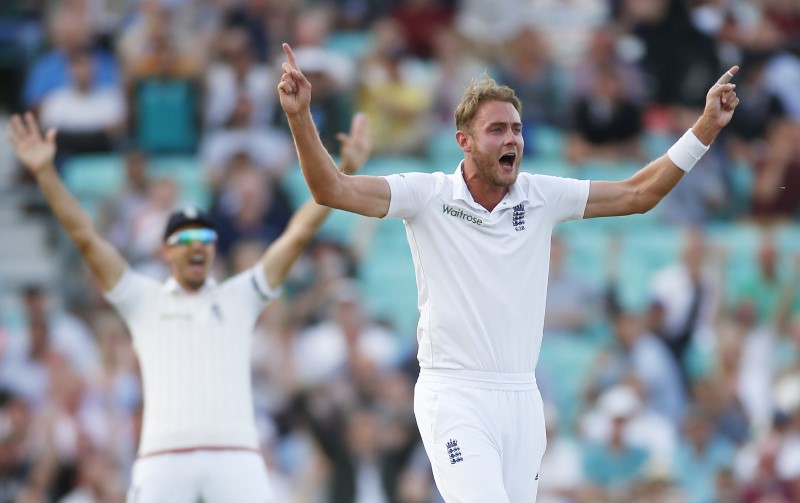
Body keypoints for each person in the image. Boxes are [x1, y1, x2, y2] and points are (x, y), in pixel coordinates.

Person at [278, 41, 739, 502]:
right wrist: (300, 117)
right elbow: (329, 188)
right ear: (465, 141)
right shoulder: (426, 195)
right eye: (496, 129)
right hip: (454, 393)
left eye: (516, 130)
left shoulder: (540, 196)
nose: (511, 140)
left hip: (522, 397)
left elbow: (639, 194)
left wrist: (704, 128)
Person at [5, 111, 371, 502]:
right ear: (165, 251)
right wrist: (45, 173)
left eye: (204, 236)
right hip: (164, 457)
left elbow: (298, 233)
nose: (196, 244)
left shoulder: (240, 296)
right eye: (184, 237)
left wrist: (344, 170)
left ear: (214, 247)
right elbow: (86, 237)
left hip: (236, 454)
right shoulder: (142, 298)